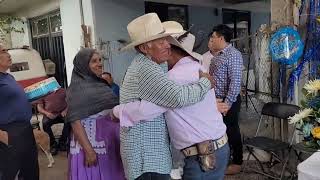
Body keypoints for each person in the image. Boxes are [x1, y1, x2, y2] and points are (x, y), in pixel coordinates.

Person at [114, 28, 230, 180]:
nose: (165, 47)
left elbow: (145, 110)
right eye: (160, 42)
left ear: (171, 50)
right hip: (220, 147)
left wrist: (117, 111)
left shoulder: (173, 78)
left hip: (201, 156)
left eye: (165, 43)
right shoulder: (199, 68)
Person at [66, 48, 125, 180]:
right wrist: (89, 151)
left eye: (100, 60)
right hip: (93, 145)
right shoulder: (77, 89)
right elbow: (75, 121)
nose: (99, 64)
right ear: (83, 65)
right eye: (94, 61)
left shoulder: (101, 84)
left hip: (109, 142)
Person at [0, 44, 39, 180]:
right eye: (3, 51)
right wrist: (1, 135)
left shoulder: (8, 77)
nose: (8, 54)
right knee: (10, 173)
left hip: (25, 129)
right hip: (8, 131)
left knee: (30, 170)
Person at [208, 24, 243, 175]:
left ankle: (237, 162)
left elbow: (235, 82)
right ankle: (223, 160)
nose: (211, 40)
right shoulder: (218, 55)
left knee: (231, 130)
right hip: (216, 100)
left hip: (228, 101)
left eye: (213, 37)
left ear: (221, 38)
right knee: (219, 132)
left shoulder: (233, 54)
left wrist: (227, 104)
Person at [36, 88, 69, 155]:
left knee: (69, 121)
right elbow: (39, 107)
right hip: (49, 114)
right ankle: (53, 144)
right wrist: (47, 113)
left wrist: (65, 110)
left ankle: (62, 142)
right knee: (45, 123)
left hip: (62, 113)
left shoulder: (63, 90)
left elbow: (70, 101)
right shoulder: (43, 92)